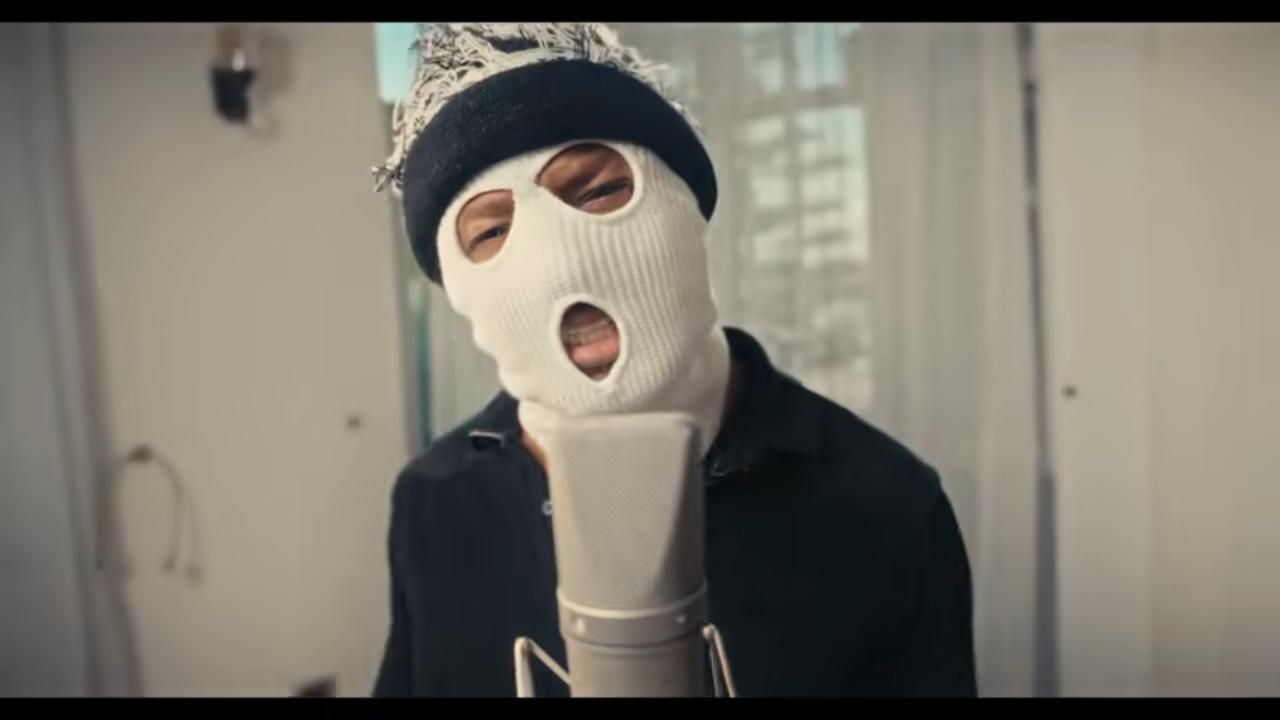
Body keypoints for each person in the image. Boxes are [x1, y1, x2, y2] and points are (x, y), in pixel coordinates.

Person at [370, 23, 977, 697]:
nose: (557, 263)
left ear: (686, 209)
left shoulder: (887, 503)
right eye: (490, 230)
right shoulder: (435, 502)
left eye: (597, 192)